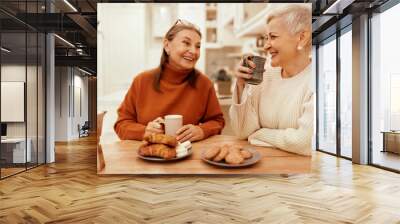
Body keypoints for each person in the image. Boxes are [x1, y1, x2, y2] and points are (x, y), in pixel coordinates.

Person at [114, 19, 225, 143]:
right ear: (167, 45)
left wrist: (202, 130)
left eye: (197, 46)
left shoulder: (204, 84)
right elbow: (121, 124)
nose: (193, 51)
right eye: (186, 43)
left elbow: (217, 121)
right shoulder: (142, 81)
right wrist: (144, 131)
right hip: (147, 157)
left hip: (188, 156)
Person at [230, 4, 313, 156]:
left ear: (301, 37)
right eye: (266, 38)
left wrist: (259, 134)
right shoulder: (265, 77)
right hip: (261, 170)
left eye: (273, 37)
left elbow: (305, 142)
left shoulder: (318, 80)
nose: (266, 46)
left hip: (300, 177)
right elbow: (242, 132)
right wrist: (241, 86)